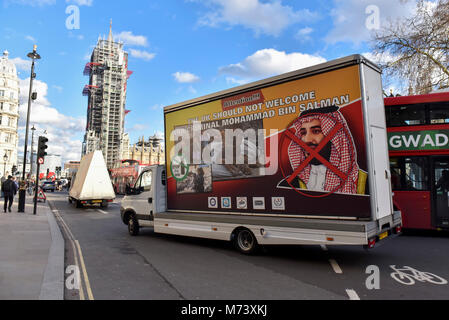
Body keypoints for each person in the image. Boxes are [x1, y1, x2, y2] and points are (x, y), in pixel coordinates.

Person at [279, 106, 366, 195]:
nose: (306, 140)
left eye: (316, 131)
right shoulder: (288, 186)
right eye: (303, 133)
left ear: (336, 137)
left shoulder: (365, 184)